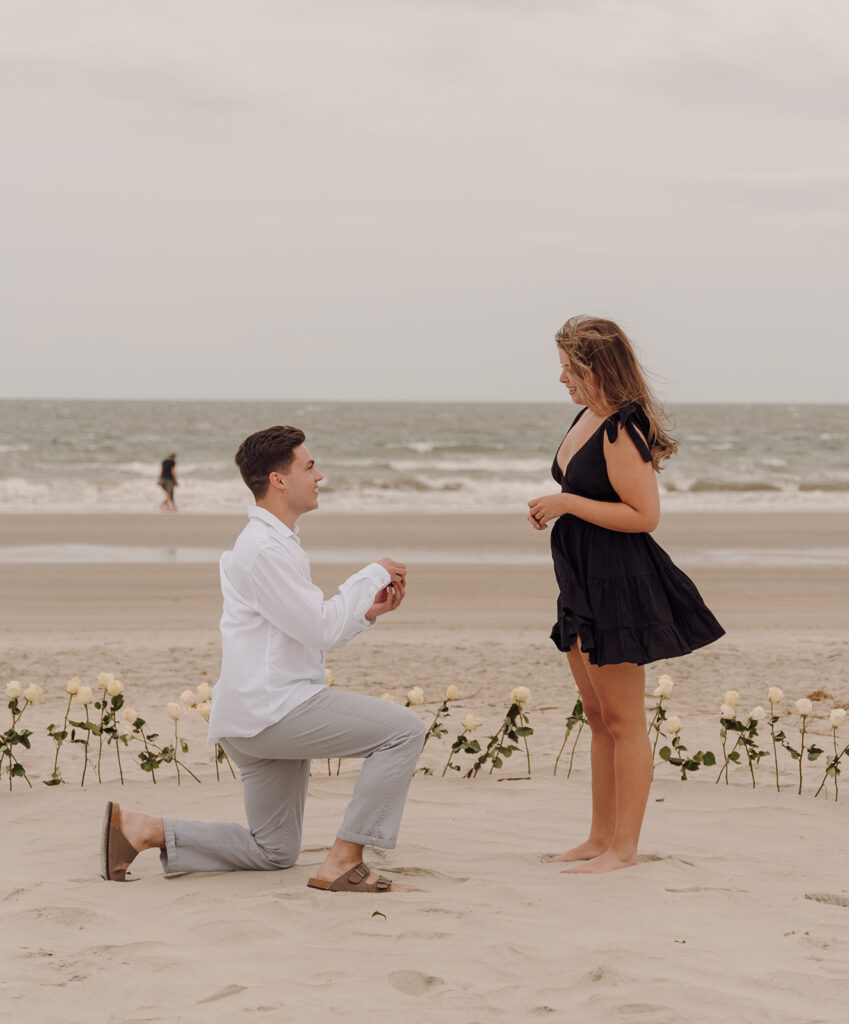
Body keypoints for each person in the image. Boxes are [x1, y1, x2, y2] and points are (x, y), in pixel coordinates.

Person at [103, 425, 425, 892]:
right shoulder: (262, 550)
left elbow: (309, 629)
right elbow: (319, 627)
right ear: (279, 479)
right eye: (310, 466)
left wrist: (364, 614)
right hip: (276, 709)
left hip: (255, 715)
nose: (319, 476)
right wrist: (371, 573)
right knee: (403, 732)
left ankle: (143, 829)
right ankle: (344, 861)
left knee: (273, 850)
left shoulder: (273, 544)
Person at [528, 316, 724, 875]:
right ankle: (597, 838)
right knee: (595, 714)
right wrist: (560, 507)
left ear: (595, 368)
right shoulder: (587, 416)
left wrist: (565, 504)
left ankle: (624, 850)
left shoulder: (622, 428)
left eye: (569, 368)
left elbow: (644, 516)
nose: (561, 378)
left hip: (617, 580)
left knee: (623, 720)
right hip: (581, 577)